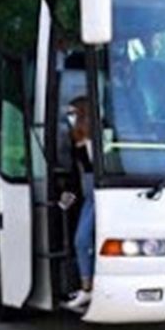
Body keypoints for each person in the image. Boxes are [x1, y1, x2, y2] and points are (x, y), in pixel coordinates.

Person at [61, 96, 96, 311]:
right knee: (81, 241)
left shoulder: (98, 139)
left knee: (83, 240)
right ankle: (86, 287)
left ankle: (88, 288)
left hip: (99, 196)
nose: (69, 117)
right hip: (87, 195)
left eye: (73, 112)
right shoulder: (76, 139)